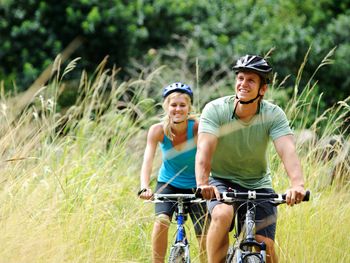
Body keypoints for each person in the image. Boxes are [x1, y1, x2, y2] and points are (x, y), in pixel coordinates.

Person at [195, 55, 306, 263]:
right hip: (221, 181)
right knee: (221, 215)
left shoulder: (273, 114)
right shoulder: (215, 110)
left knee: (266, 245)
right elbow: (204, 150)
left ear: (262, 89)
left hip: (258, 185)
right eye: (240, 78)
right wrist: (202, 183)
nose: (243, 84)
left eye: (251, 80)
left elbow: (287, 150)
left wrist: (297, 184)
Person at [138, 82, 209, 263]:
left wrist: (207, 184)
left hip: (197, 185)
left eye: (182, 105)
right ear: (166, 107)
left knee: (204, 231)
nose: (178, 109)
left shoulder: (197, 128)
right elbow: (147, 160)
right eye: (173, 105)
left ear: (189, 107)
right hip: (168, 183)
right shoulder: (157, 130)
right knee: (161, 221)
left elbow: (208, 156)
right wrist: (144, 187)